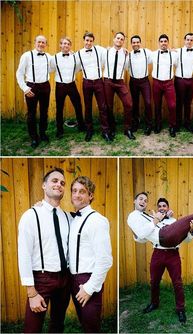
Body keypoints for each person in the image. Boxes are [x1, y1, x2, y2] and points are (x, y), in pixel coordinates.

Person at [18, 168, 71, 333]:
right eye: (54, 181)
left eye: (62, 183)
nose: (59, 185)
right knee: (32, 328)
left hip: (64, 278)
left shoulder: (68, 217)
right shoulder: (31, 215)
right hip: (41, 279)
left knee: (57, 325)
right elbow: (24, 253)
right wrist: (31, 292)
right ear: (44, 185)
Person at [128, 192, 193, 265]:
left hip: (170, 240)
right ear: (134, 201)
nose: (143, 202)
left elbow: (144, 237)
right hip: (163, 237)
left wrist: (190, 230)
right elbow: (142, 234)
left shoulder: (150, 216)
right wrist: (156, 220)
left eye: (146, 200)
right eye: (141, 199)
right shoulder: (133, 216)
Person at [69, 176, 113, 333]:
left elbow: (106, 260)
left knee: (91, 327)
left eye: (82, 191)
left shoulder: (97, 220)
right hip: (73, 280)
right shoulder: (72, 219)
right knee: (84, 324)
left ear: (91, 196)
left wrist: (89, 287)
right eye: (74, 191)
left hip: (88, 280)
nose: (77, 195)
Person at [142, 197, 193, 323]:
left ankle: (181, 309)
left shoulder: (175, 221)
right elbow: (145, 235)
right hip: (158, 254)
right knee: (154, 281)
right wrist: (159, 219)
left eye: (164, 206)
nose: (161, 208)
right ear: (157, 208)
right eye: (159, 206)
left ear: (168, 208)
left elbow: (186, 240)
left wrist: (191, 231)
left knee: (177, 282)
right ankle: (154, 303)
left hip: (173, 254)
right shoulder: (153, 220)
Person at [76, 32, 113, 142]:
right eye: (87, 40)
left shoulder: (99, 49)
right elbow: (75, 66)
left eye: (91, 41)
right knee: (88, 107)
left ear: (93, 41)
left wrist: (115, 49)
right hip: (86, 82)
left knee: (103, 107)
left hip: (98, 82)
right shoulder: (78, 54)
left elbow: (110, 51)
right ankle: (89, 130)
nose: (88, 42)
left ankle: (105, 131)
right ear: (84, 40)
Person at [16, 35, 51, 148]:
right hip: (31, 86)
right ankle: (34, 137)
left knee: (44, 111)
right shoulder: (26, 56)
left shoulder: (49, 57)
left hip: (45, 86)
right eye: (39, 42)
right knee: (31, 113)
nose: (41, 44)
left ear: (46, 44)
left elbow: (58, 64)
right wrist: (25, 88)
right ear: (35, 42)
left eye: (43, 43)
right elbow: (19, 73)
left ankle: (43, 133)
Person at [50, 37, 85, 139]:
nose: (66, 45)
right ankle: (59, 130)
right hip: (60, 85)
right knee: (59, 108)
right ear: (60, 45)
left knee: (78, 105)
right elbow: (51, 69)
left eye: (68, 44)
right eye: (64, 43)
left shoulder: (75, 57)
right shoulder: (54, 58)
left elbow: (78, 68)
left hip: (71, 84)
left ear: (70, 46)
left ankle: (81, 126)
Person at [103, 32, 135, 140]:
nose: (119, 40)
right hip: (108, 81)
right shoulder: (105, 52)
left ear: (123, 42)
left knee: (129, 103)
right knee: (108, 106)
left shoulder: (126, 54)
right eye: (118, 38)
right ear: (113, 39)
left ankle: (128, 129)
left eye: (122, 39)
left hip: (120, 82)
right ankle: (111, 128)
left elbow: (126, 68)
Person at [151, 34, 178, 137]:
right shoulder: (152, 54)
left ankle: (172, 126)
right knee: (157, 105)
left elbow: (179, 61)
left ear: (168, 43)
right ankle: (158, 124)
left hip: (169, 83)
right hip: (156, 83)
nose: (163, 43)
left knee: (172, 105)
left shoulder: (174, 55)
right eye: (161, 41)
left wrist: (175, 50)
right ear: (159, 43)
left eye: (165, 41)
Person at [128, 35, 153, 135]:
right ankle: (135, 122)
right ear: (131, 44)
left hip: (144, 81)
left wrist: (172, 51)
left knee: (148, 102)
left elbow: (157, 55)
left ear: (140, 43)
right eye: (134, 42)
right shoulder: (128, 55)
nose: (136, 44)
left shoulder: (147, 52)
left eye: (137, 42)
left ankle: (149, 124)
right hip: (133, 81)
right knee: (134, 103)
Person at [174, 33, 193, 133]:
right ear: (184, 40)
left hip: (191, 80)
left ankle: (187, 123)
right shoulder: (177, 52)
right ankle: (177, 124)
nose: (189, 42)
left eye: (191, 40)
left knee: (188, 103)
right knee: (179, 102)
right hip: (180, 80)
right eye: (187, 39)